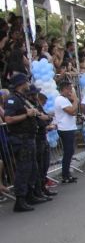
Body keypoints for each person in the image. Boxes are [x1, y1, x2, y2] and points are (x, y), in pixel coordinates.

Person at [2, 74, 46, 211]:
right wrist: (27, 114)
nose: (28, 83)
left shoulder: (22, 98)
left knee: (32, 168)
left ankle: (30, 195)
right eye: (26, 81)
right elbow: (8, 119)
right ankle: (20, 200)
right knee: (23, 169)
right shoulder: (12, 100)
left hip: (29, 138)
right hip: (21, 139)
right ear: (21, 83)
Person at [54, 80, 80, 184]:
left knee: (70, 152)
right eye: (69, 89)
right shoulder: (60, 99)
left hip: (69, 128)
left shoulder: (65, 99)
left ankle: (67, 173)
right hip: (65, 129)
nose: (71, 92)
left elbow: (73, 112)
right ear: (64, 89)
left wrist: (73, 102)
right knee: (68, 152)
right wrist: (75, 101)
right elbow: (71, 110)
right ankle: (65, 175)